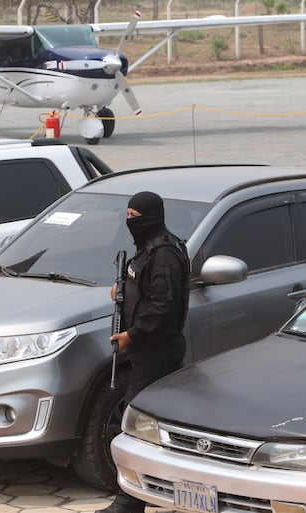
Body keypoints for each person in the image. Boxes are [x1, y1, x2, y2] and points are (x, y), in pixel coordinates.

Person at [98, 191, 190, 513]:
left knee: (137, 426)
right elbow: (146, 289)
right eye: (128, 216)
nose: (129, 223)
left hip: (157, 353)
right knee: (148, 426)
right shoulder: (148, 249)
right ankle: (145, 494)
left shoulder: (164, 253)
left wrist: (131, 335)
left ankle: (130, 502)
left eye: (135, 217)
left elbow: (164, 306)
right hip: (147, 352)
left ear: (151, 217)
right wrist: (121, 288)